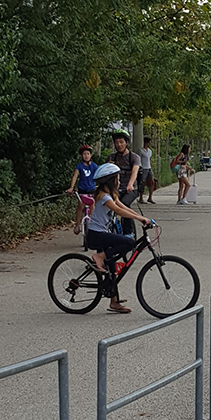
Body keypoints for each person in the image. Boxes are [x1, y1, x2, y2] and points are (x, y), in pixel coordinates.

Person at [85, 163, 154, 314]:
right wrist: (140, 219)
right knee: (129, 242)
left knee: (112, 267)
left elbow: (124, 207)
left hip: (102, 234)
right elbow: (118, 211)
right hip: (96, 235)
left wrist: (142, 218)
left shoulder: (111, 195)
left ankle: (114, 302)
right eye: (117, 177)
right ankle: (99, 256)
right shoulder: (104, 197)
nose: (119, 180)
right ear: (111, 180)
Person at [107, 131, 141, 237]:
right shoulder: (111, 157)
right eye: (116, 142)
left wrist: (130, 184)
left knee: (125, 204)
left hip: (131, 189)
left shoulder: (134, 157)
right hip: (115, 189)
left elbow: (135, 171)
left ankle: (129, 232)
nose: (119, 145)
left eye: (121, 142)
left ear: (127, 143)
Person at [66, 145, 97, 233]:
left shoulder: (94, 166)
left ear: (91, 155)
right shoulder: (79, 166)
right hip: (82, 189)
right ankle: (77, 225)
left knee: (92, 206)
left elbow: (99, 175)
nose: (86, 156)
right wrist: (71, 187)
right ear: (81, 156)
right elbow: (75, 176)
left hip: (91, 189)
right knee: (80, 206)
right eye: (84, 154)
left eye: (88, 154)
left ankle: (93, 224)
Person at [137, 137, 157, 204]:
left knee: (152, 182)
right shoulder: (141, 151)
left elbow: (150, 160)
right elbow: (138, 159)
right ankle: (141, 198)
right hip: (143, 168)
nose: (150, 144)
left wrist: (151, 168)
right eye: (149, 142)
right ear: (146, 142)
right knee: (142, 182)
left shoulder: (150, 151)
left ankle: (150, 197)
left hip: (149, 168)